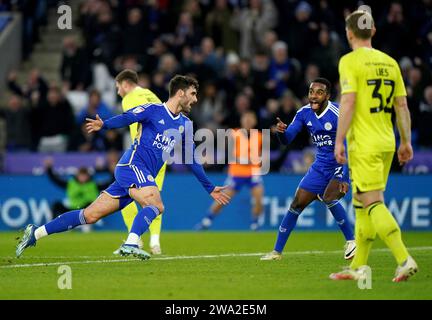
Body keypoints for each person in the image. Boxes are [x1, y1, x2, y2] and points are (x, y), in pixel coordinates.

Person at [16, 74, 231, 260]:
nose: (195, 99)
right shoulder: (154, 110)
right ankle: (131, 242)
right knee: (156, 204)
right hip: (131, 166)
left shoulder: (185, 124)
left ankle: (36, 233)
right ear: (181, 93)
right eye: (193, 94)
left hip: (139, 175)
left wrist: (209, 187)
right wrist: (105, 124)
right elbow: (129, 117)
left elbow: (191, 158)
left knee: (89, 216)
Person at [330, 10, 418, 282]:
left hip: (364, 144)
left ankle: (404, 259)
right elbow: (401, 105)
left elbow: (349, 101)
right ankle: (358, 267)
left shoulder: (349, 61)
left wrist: (338, 139)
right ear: (374, 31)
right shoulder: (390, 63)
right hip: (386, 143)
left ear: (349, 33)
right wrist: (406, 140)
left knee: (372, 202)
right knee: (360, 202)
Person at [261, 78, 356, 261]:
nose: (313, 96)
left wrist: (344, 176)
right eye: (311, 92)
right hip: (320, 166)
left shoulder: (338, 112)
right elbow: (288, 139)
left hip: (340, 162)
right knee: (296, 204)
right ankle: (276, 252)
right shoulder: (304, 113)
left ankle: (352, 241)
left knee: (329, 197)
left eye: (319, 92)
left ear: (327, 95)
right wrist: (281, 133)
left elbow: (349, 145)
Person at [112, 70, 168, 255]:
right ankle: (155, 242)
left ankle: (134, 239)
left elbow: (132, 122)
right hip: (161, 154)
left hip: (142, 156)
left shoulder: (129, 98)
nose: (118, 92)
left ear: (126, 84)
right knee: (154, 199)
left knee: (125, 195)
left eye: (118, 87)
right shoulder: (152, 95)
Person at [196, 111, 264, 231]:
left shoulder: (259, 136)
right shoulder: (234, 134)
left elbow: (261, 156)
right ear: (242, 120)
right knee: (224, 198)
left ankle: (255, 223)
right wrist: (245, 160)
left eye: (250, 118)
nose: (248, 121)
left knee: (258, 197)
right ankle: (207, 220)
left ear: (255, 121)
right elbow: (229, 154)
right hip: (237, 172)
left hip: (253, 172)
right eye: (246, 118)